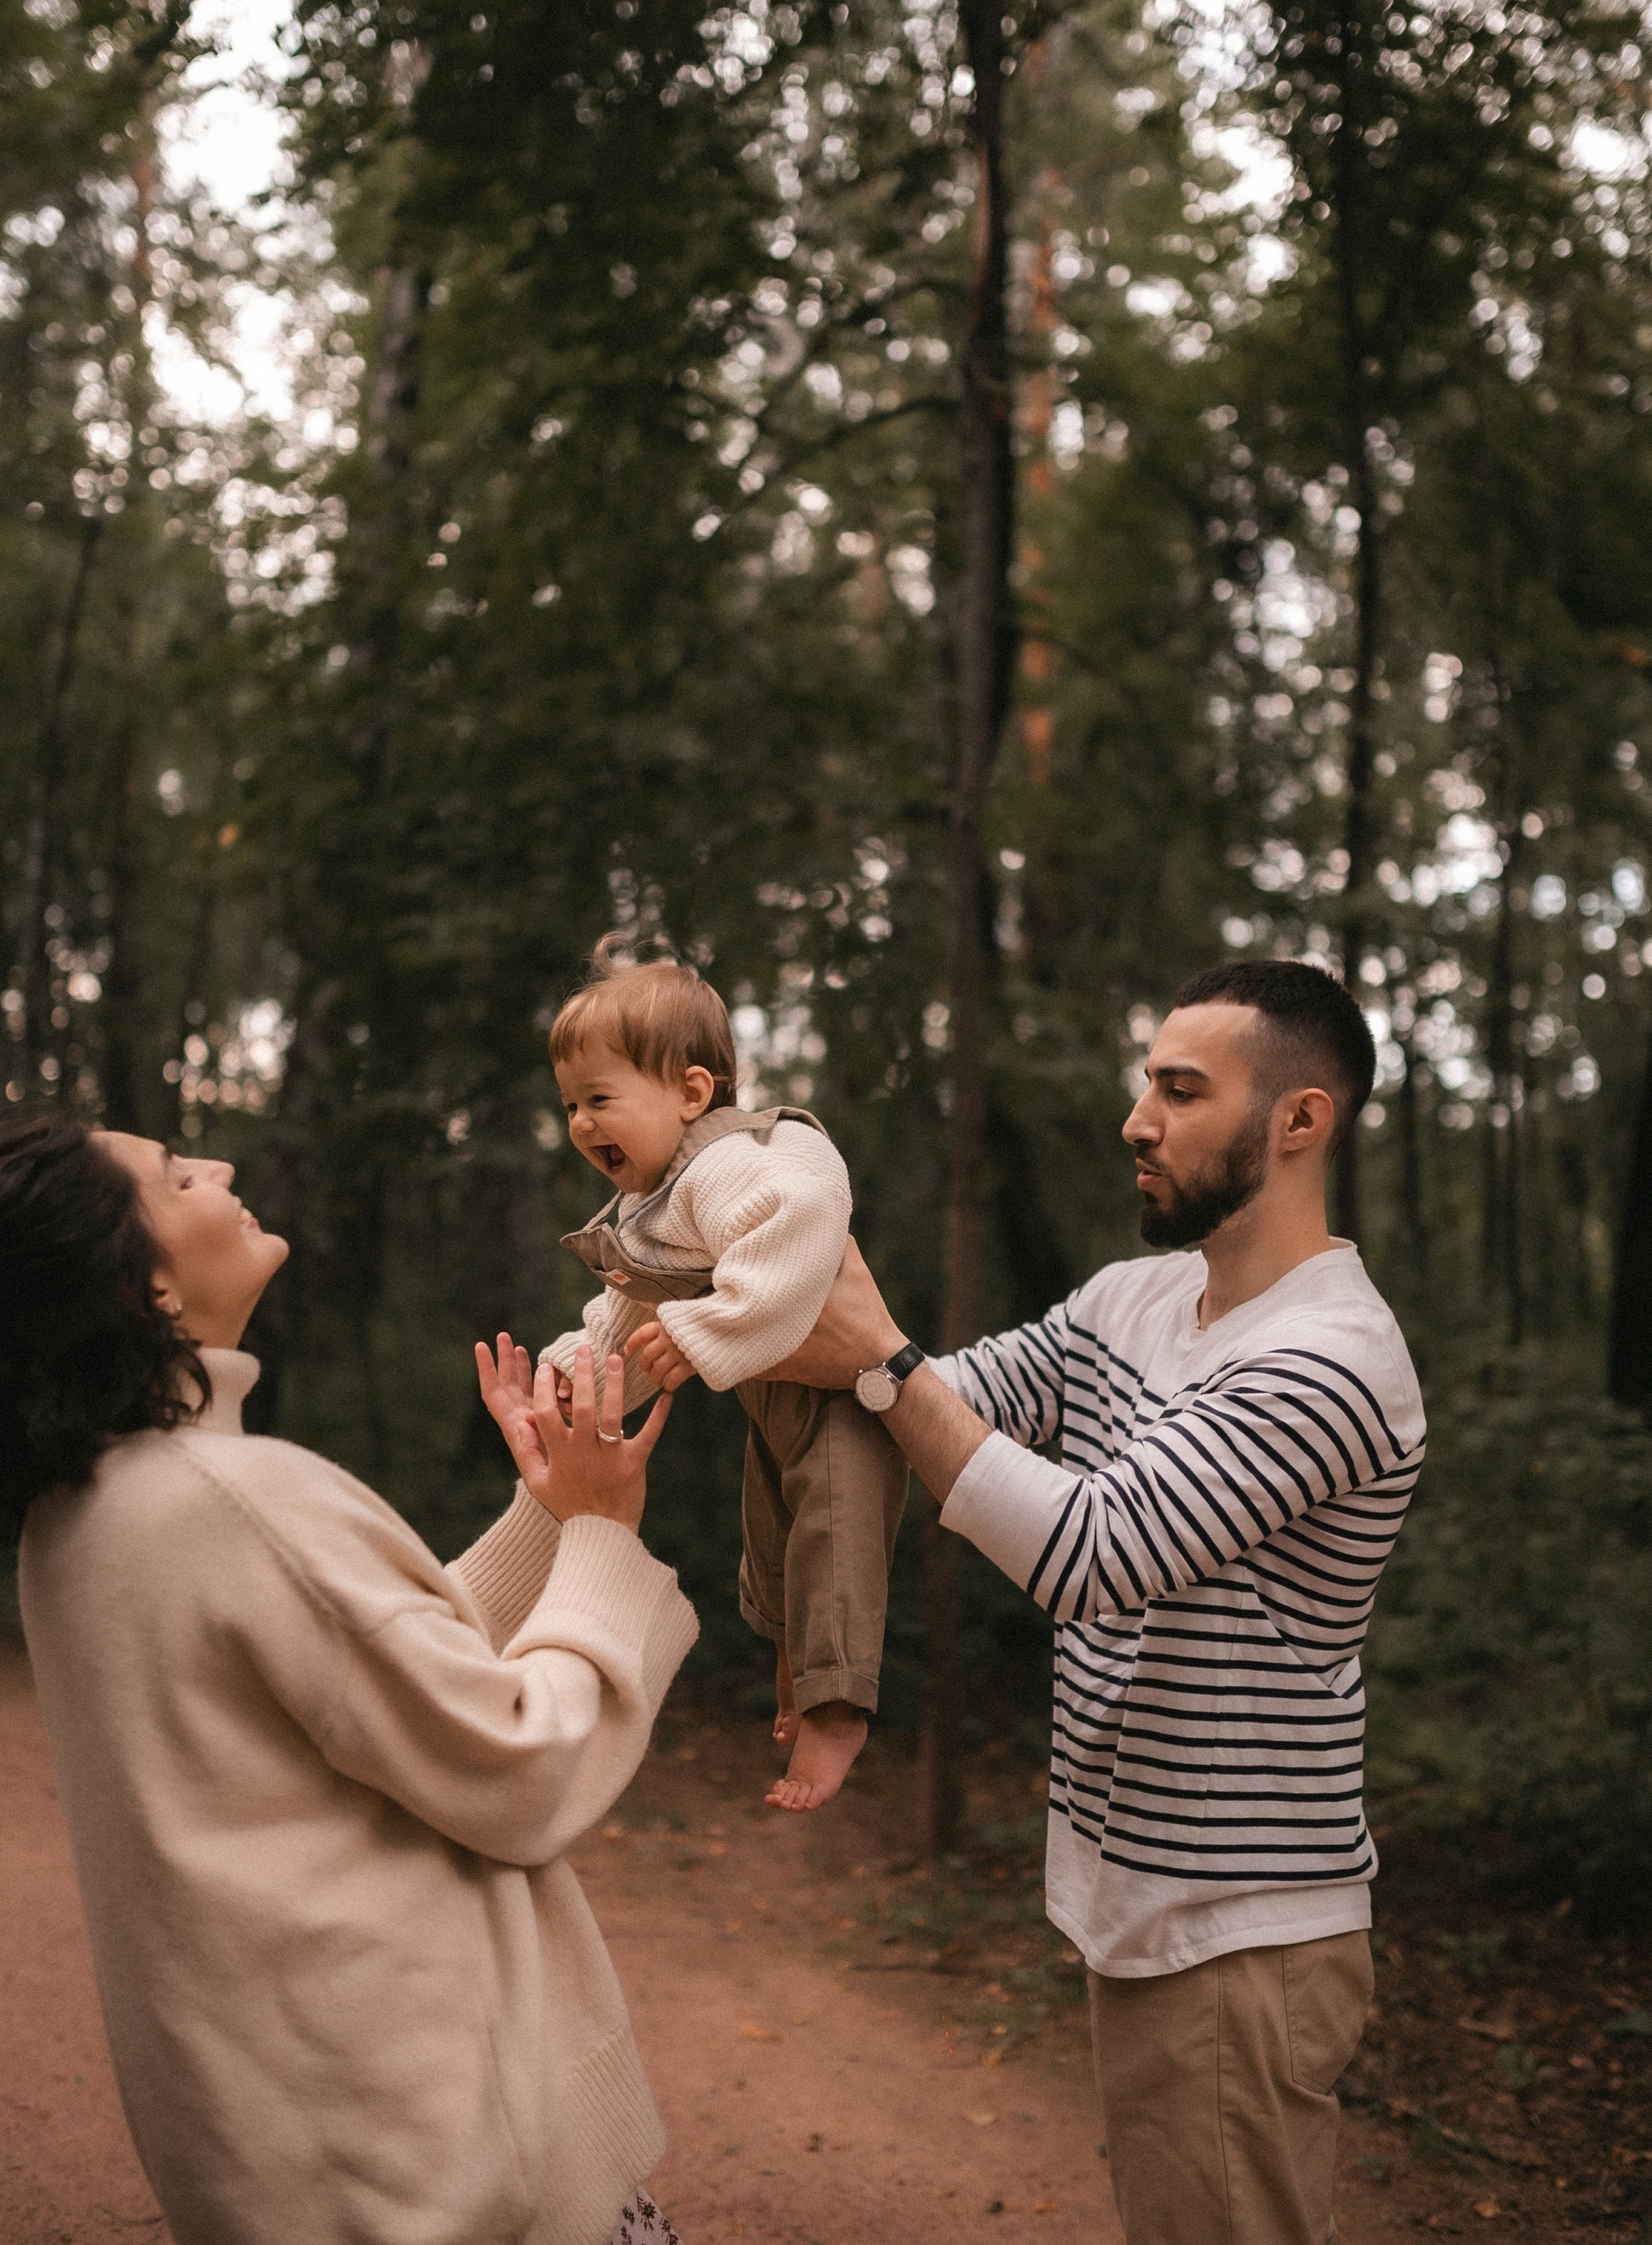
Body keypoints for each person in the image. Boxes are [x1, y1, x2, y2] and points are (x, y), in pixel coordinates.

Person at [641, 958, 1427, 2245]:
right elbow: (940, 1401)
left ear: (1299, 1121)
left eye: (1181, 1091)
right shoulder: (1133, 1297)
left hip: (1236, 1931)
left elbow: (1092, 1549)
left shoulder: (1330, 1358)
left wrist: (879, 1357)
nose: (1137, 1119)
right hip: (1147, 1899)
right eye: (1146, 1084)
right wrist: (754, 1272)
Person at [5, 1109, 696, 2245]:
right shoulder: (235, 1500)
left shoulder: (86, 1516)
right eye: (177, 1176)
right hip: (456, 2182)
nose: (218, 1165)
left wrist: (548, 1514)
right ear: (143, 1291)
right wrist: (600, 1534)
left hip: (308, 2178)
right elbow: (523, 1763)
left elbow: (374, 1671)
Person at [539, 936, 909, 1810]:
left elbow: (804, 1211)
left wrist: (710, 1326)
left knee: (834, 1535)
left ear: (692, 1093)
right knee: (772, 1541)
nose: (582, 1123)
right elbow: (626, 1315)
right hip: (776, 1391)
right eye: (570, 1105)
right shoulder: (653, 1203)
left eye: (600, 1099)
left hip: (843, 1399)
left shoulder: (730, 1164)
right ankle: (794, 1668)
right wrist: (579, 1377)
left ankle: (839, 1709)